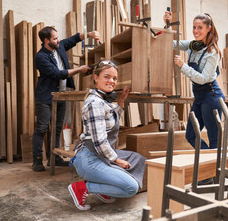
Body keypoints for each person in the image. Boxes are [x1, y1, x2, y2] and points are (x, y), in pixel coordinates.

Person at [68, 60, 146, 211]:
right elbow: (99, 141)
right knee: (131, 187)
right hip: (89, 160)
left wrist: (121, 100)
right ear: (96, 78)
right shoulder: (94, 103)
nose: (111, 81)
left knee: (139, 160)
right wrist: (117, 160)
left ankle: (103, 187)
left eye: (114, 78)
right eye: (107, 77)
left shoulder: (103, 100)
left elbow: (111, 118)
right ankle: (83, 188)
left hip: (100, 155)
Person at [164, 12, 225, 184]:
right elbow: (172, 44)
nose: (196, 31)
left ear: (208, 29)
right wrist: (168, 25)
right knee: (191, 135)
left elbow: (204, 78)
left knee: (214, 140)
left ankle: (211, 175)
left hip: (211, 96)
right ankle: (210, 171)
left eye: (200, 28)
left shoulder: (212, 52)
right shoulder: (193, 45)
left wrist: (183, 66)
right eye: (194, 27)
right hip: (199, 97)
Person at [32, 26, 99, 172]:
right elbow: (57, 74)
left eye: (58, 37)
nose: (58, 40)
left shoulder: (59, 45)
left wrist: (90, 34)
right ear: (46, 40)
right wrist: (79, 70)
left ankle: (54, 158)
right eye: (55, 38)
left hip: (61, 94)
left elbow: (74, 39)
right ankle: (37, 160)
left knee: (56, 128)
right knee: (42, 128)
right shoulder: (41, 57)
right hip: (46, 96)